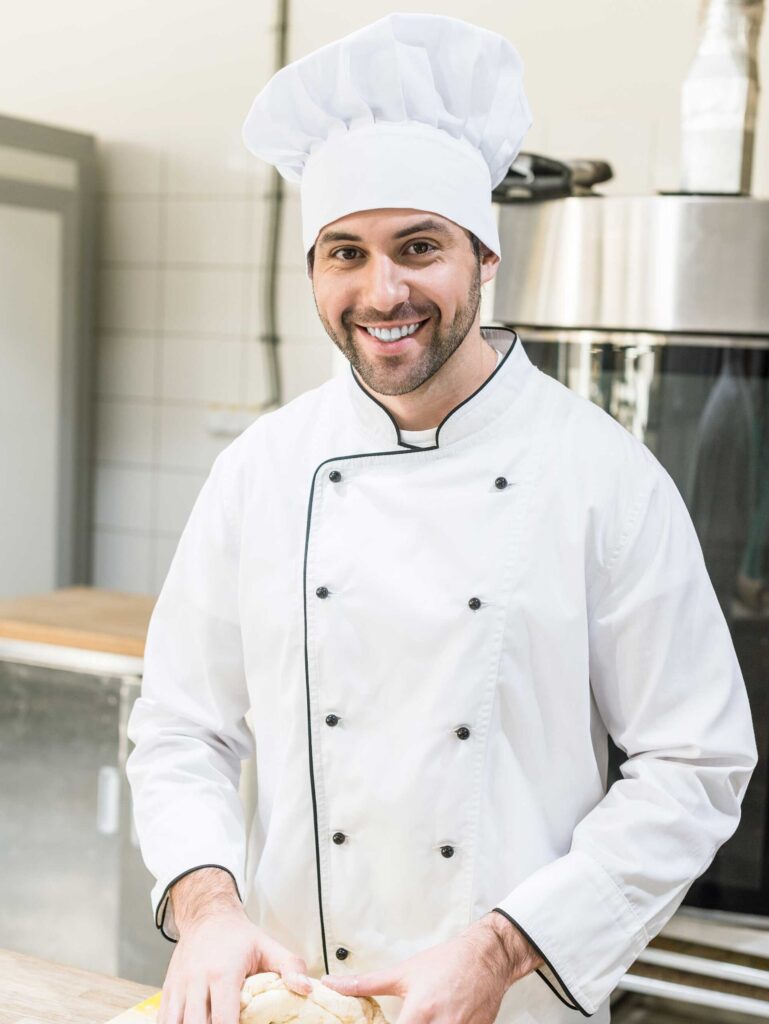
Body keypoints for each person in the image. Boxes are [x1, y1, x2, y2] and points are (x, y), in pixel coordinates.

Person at [125, 12, 758, 1024]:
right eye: (345, 252)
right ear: (313, 269)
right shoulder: (262, 469)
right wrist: (206, 906)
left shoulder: (601, 477)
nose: (383, 291)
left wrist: (500, 950)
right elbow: (179, 725)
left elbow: (693, 765)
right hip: (296, 997)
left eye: (418, 246)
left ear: (483, 257)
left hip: (511, 1001)